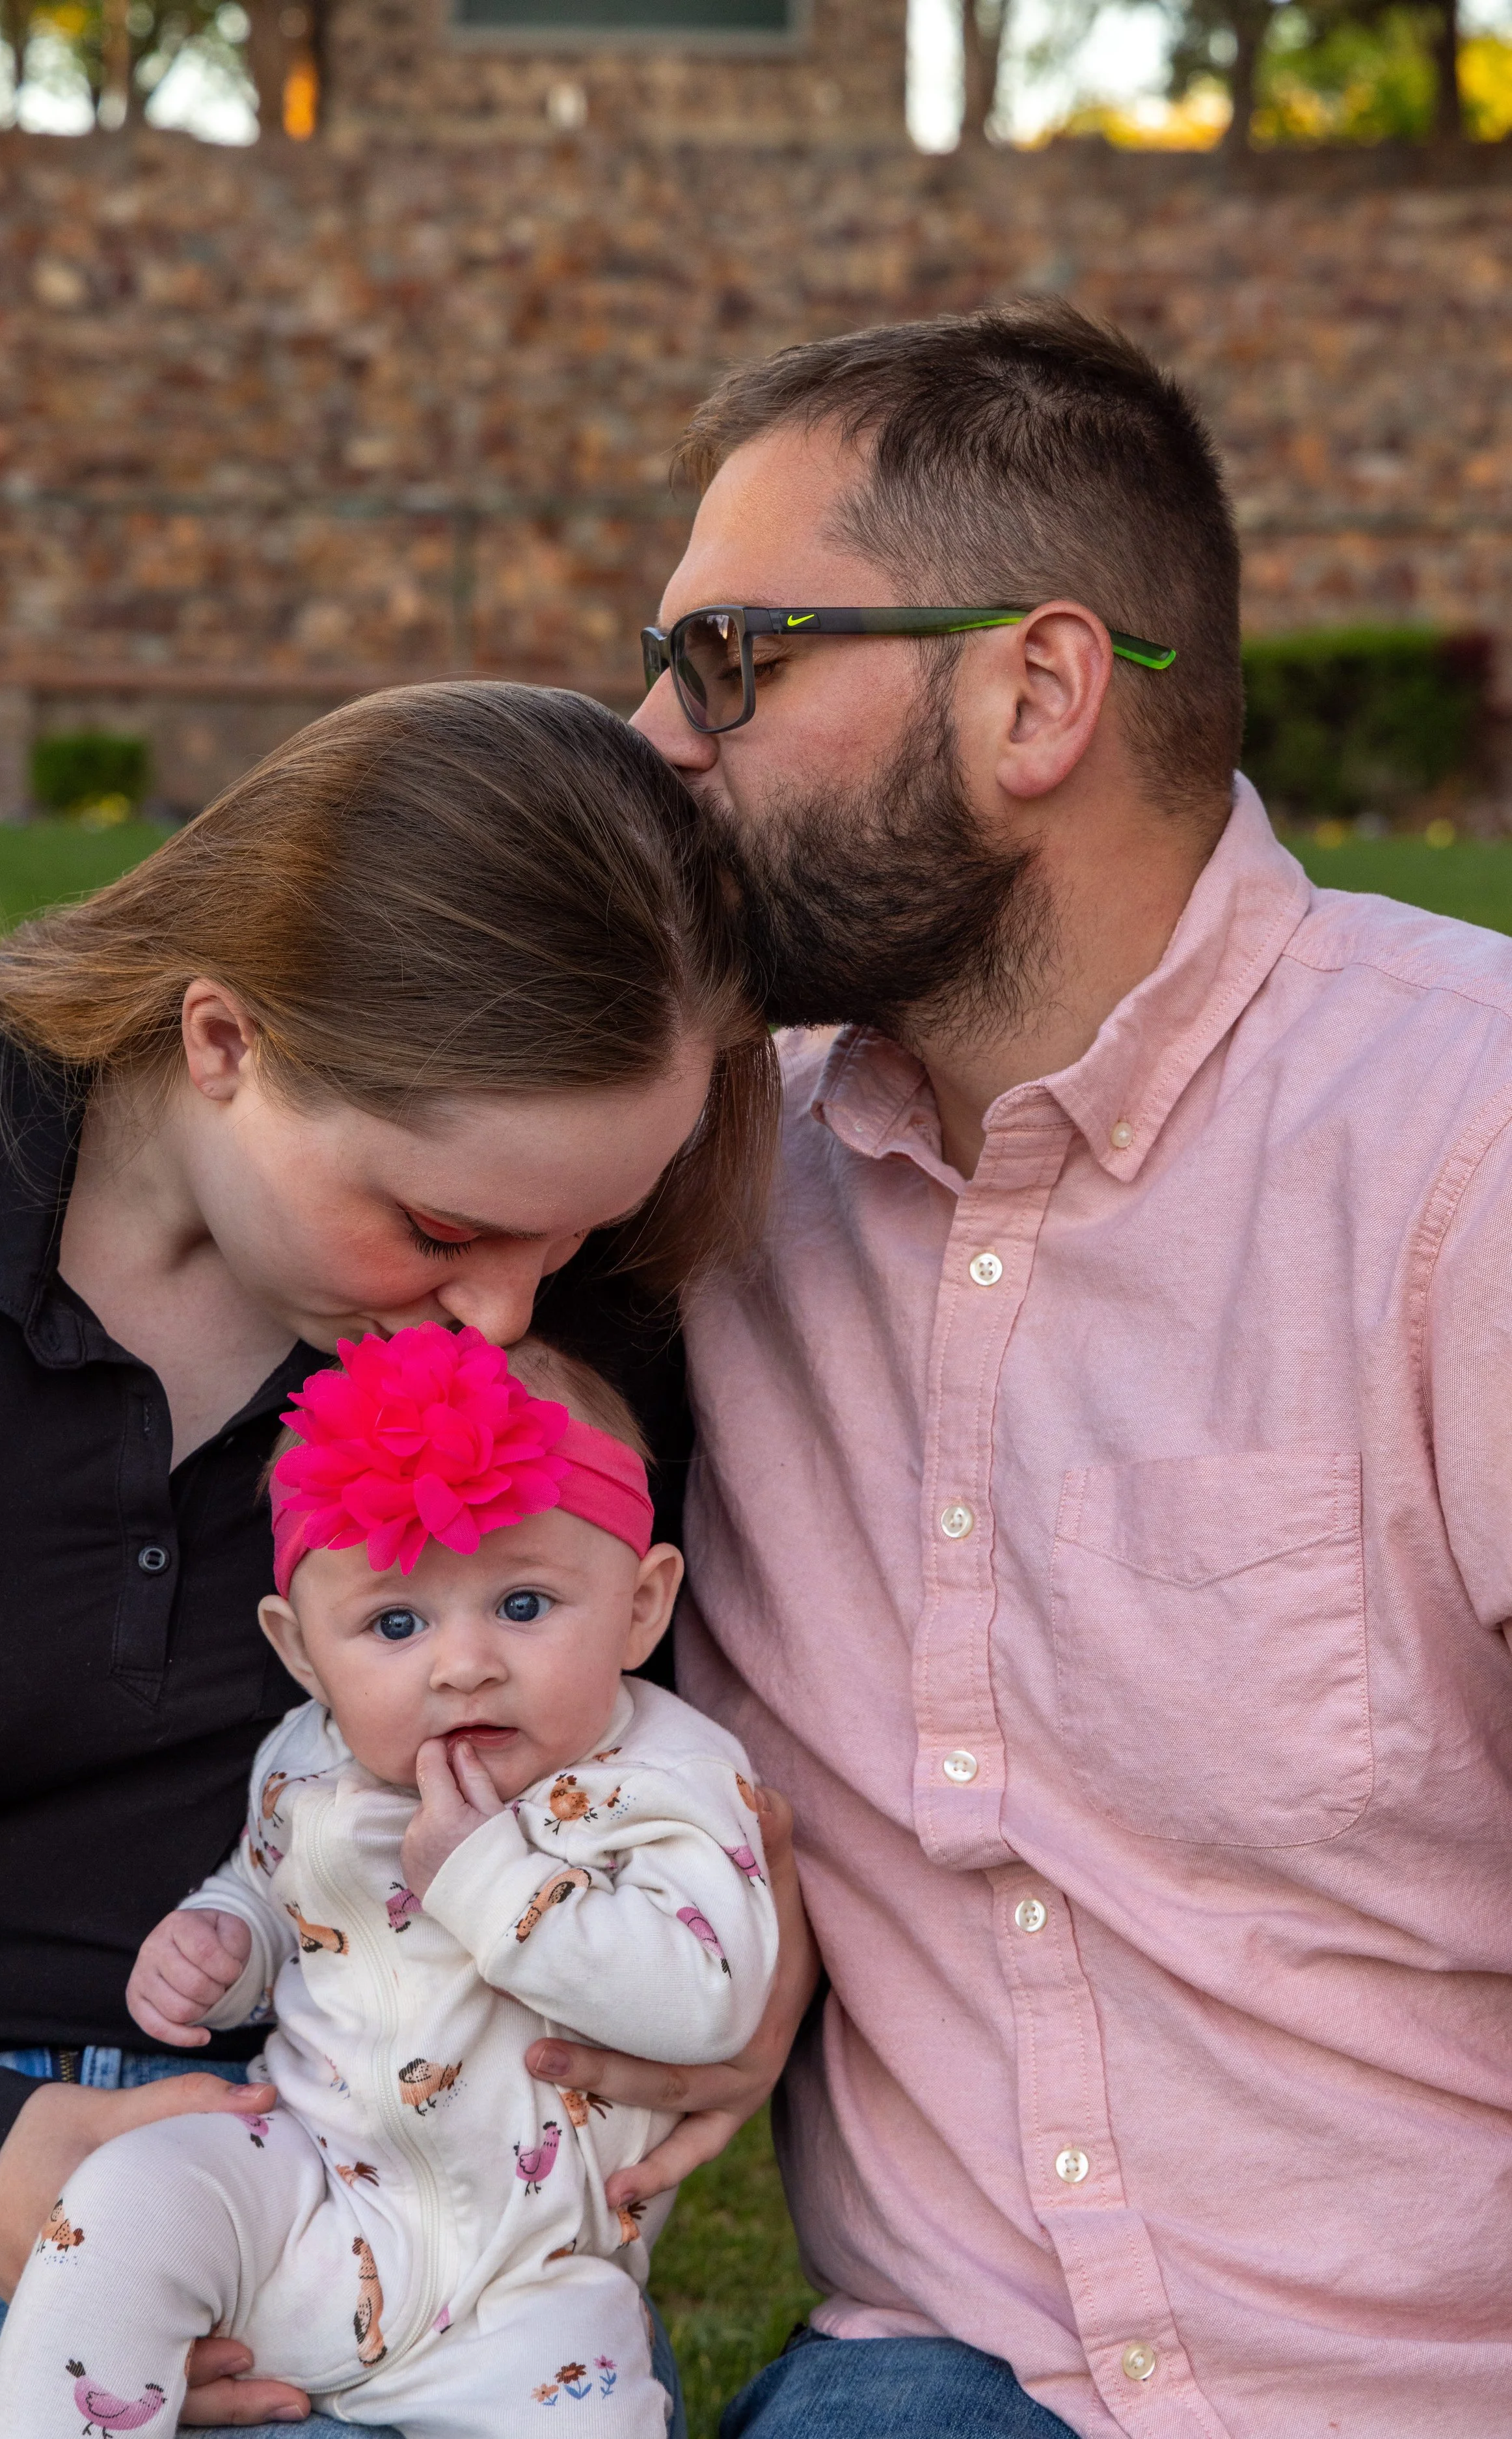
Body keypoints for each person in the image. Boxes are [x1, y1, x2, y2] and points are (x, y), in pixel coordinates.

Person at [508, 301, 1512, 2436]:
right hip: (950, 2364)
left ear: (1038, 690)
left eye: (726, 663)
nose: (651, 739)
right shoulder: (696, 1164)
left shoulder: (1467, 1143)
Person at [0, 679, 791, 2439]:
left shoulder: (558, 1332)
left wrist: (761, 1960)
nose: (505, 1311)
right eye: (441, 1226)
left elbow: (662, 1750)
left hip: (402, 2216)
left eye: (574, 1232)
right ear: (224, 1039)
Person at [0, 1322, 777, 2439]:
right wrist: (225, 1941)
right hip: (307, 2189)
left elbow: (709, 1999)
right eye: (395, 1624)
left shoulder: (669, 1781)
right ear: (303, 1652)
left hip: (529, 2288)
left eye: (523, 1605)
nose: (464, 1664)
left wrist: (488, 1876)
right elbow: (271, 1888)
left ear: (641, 1605)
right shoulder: (310, 1758)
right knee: (127, 2198)